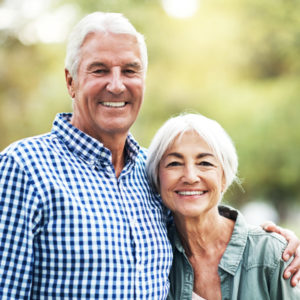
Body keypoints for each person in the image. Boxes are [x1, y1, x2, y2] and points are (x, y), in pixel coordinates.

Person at [0, 11, 299, 299]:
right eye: (99, 70)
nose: (116, 85)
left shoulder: (154, 172)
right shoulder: (24, 168)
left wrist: (272, 245)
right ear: (71, 81)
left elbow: (202, 221)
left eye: (129, 70)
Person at [146, 113, 300, 299]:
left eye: (204, 163)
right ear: (157, 177)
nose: (190, 176)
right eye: (174, 163)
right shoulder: (152, 259)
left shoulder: (271, 254)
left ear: (224, 177)